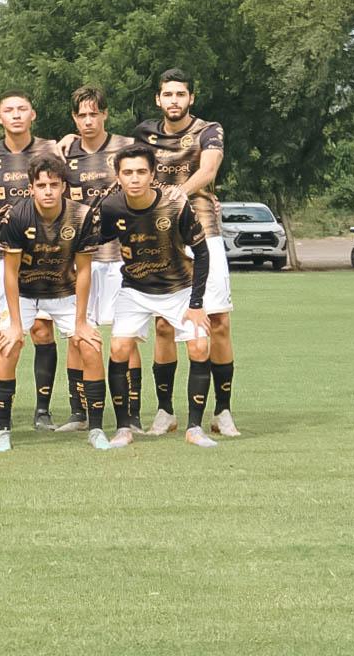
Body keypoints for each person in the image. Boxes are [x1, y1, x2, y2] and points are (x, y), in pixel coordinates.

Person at [134, 68, 237, 437]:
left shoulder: (209, 130)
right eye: (168, 94)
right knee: (164, 324)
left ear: (191, 98)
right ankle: (165, 411)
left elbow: (208, 170)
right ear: (158, 99)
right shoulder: (145, 133)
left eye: (180, 94)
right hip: (160, 235)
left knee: (218, 321)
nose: (174, 100)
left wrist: (175, 195)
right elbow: (122, 161)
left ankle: (222, 411)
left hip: (203, 229)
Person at [97, 145, 217, 448]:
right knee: (119, 348)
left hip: (179, 289)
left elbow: (202, 254)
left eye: (141, 172)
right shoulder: (112, 206)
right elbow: (96, 236)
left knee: (199, 346)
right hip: (135, 289)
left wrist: (196, 304)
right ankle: (123, 428)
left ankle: (194, 428)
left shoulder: (175, 205)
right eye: (127, 173)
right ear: (118, 176)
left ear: (152, 174)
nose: (134, 178)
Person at [0, 156, 104, 451]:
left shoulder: (81, 215)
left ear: (63, 187)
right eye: (41, 185)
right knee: (8, 346)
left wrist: (81, 323)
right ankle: (3, 430)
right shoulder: (17, 216)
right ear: (31, 188)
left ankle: (96, 429)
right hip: (24, 293)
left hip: (65, 291)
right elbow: (10, 272)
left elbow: (84, 270)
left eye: (53, 185)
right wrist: (15, 324)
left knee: (91, 345)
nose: (48, 191)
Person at [0, 90, 58, 430]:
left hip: (47, 252)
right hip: (1, 251)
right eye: (9, 110)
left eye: (22, 109)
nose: (16, 115)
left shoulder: (52, 149)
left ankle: (43, 410)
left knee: (42, 329)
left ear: (33, 114)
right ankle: (0, 410)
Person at [57, 85, 136, 432]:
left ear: (105, 113)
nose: (88, 120)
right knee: (78, 334)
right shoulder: (64, 152)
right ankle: (79, 413)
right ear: (74, 118)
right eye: (81, 115)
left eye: (94, 113)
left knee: (125, 336)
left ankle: (131, 415)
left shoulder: (126, 148)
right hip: (81, 258)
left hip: (122, 256)